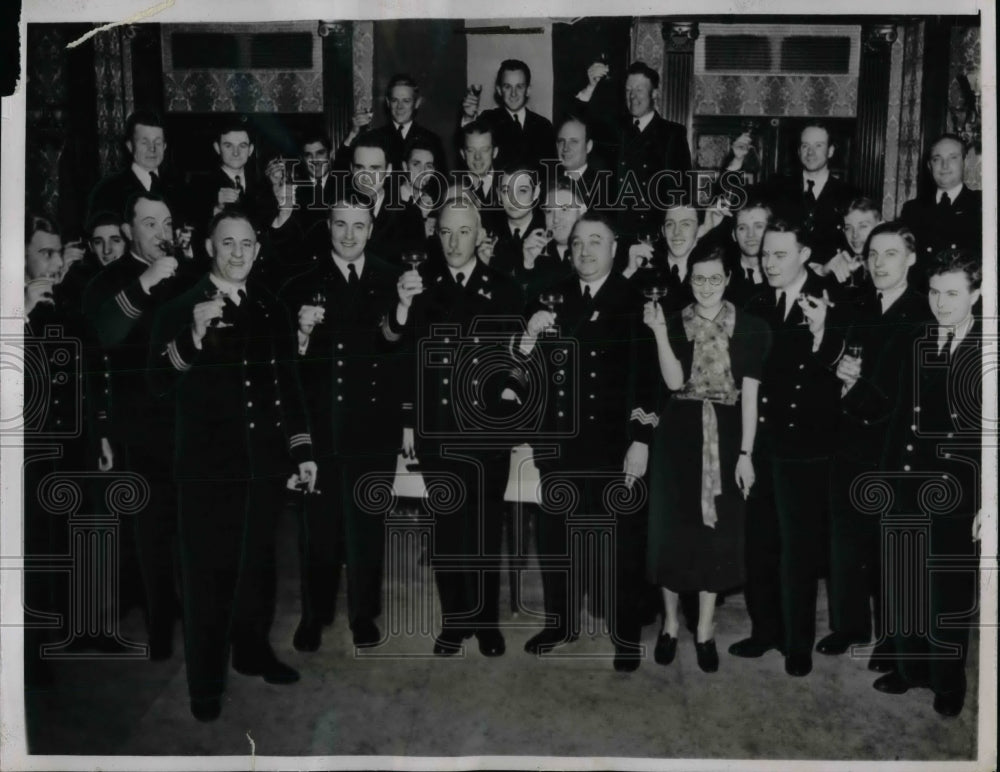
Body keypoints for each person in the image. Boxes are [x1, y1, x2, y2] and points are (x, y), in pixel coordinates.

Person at [148, 206, 316, 722]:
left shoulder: (270, 308)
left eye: (246, 244)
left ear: (258, 250)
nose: (238, 253)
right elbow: (155, 385)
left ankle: (252, 652)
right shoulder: (178, 307)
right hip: (206, 473)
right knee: (207, 582)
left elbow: (287, 384)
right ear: (208, 248)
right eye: (227, 244)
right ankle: (204, 686)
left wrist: (302, 450)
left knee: (258, 570)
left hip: (262, 467)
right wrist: (190, 341)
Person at [516, 211, 657, 671]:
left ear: (615, 250)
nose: (585, 250)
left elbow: (647, 378)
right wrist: (528, 338)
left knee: (621, 544)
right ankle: (561, 623)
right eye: (577, 242)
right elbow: (529, 374)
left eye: (596, 241)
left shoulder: (635, 300)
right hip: (561, 443)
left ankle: (626, 633)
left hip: (615, 445)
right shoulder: (551, 298)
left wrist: (640, 440)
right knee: (556, 539)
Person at [391, 194, 524, 658]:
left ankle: (486, 622)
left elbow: (517, 359)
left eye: (463, 231)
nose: (453, 240)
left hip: (488, 432)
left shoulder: (503, 287)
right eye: (445, 231)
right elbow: (403, 358)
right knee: (448, 529)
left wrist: (510, 393)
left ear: (480, 235)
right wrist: (408, 424)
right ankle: (454, 621)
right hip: (438, 430)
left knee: (486, 529)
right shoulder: (417, 286)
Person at [852, 248, 982, 717]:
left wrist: (988, 503)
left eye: (952, 294)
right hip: (906, 481)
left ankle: (949, 683)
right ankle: (910, 670)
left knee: (948, 591)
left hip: (958, 492)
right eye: (934, 292)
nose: (941, 303)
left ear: (976, 293)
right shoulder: (917, 338)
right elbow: (896, 413)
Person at [279, 194, 405, 652]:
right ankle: (315, 614)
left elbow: (402, 355)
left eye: (358, 226)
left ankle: (364, 615)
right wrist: (301, 334)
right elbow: (286, 366)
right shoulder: (300, 284)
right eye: (340, 225)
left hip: (374, 426)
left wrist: (407, 422)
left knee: (367, 529)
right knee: (319, 531)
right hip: (323, 427)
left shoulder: (394, 281)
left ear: (371, 229)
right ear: (327, 227)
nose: (349, 235)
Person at [643, 245, 770, 672]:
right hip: (678, 434)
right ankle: (671, 626)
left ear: (729, 278)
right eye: (698, 279)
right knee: (673, 533)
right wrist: (660, 334)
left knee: (717, 534)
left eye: (715, 279)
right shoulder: (677, 320)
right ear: (689, 280)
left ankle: (706, 630)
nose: (707, 287)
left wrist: (747, 453)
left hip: (729, 431)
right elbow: (675, 380)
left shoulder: (751, 327)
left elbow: (750, 396)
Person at [731, 219, 845, 677]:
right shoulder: (756, 303)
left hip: (808, 445)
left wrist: (823, 332)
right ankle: (765, 632)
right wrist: (745, 451)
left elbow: (842, 364)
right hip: (763, 441)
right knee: (759, 545)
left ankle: (798, 642)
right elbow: (749, 382)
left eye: (780, 254)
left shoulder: (828, 298)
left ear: (804, 253)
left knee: (798, 551)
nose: (770, 262)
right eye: (765, 255)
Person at [82, 192, 191, 660]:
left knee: (183, 524)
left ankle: (177, 604)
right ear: (129, 231)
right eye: (149, 224)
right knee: (149, 527)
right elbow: (103, 337)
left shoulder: (180, 271)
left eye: (165, 222)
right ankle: (159, 627)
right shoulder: (110, 279)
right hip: (140, 427)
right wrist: (146, 282)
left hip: (184, 420)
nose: (161, 233)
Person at [818, 222, 932, 669]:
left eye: (889, 254)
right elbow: (833, 362)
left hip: (893, 445)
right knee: (845, 540)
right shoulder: (855, 304)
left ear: (911, 259)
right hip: (849, 440)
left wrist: (852, 383)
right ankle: (849, 625)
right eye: (873, 255)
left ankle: (891, 639)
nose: (879, 263)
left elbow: (901, 389)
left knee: (889, 545)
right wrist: (839, 373)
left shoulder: (923, 312)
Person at [573, 60, 692, 245]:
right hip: (615, 238)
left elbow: (681, 193)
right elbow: (575, 127)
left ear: (654, 93)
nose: (632, 96)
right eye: (628, 90)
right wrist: (591, 88)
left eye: (639, 90)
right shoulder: (614, 128)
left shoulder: (672, 133)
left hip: (653, 239)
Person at [759, 122, 858, 264]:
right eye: (805, 146)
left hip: (832, 281)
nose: (810, 152)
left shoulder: (850, 195)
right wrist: (736, 163)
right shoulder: (778, 188)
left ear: (830, 151)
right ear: (799, 151)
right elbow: (735, 201)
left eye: (818, 145)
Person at [899, 134, 982, 272]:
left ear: (965, 162)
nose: (944, 166)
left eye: (953, 158)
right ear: (929, 166)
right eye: (937, 159)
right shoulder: (912, 210)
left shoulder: (981, 204)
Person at [459, 59, 556, 173]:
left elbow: (552, 171)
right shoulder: (488, 119)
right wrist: (468, 117)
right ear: (499, 90)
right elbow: (468, 148)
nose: (513, 93)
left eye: (519, 86)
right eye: (507, 87)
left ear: (528, 90)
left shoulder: (544, 126)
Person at [87, 111, 183, 226]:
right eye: (144, 143)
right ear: (130, 146)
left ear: (164, 146)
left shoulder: (178, 189)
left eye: (157, 143)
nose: (152, 149)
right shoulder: (107, 190)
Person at [339, 74, 446, 174]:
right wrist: (353, 134)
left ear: (417, 103)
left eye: (406, 101)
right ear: (388, 102)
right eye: (395, 100)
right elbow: (342, 173)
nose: (400, 106)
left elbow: (440, 182)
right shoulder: (374, 137)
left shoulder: (432, 140)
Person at [348, 132, 426, 266]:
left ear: (389, 170)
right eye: (360, 167)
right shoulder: (338, 210)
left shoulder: (410, 215)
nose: (366, 177)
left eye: (374, 168)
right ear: (351, 169)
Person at [624, 201, 701, 314]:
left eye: (685, 224)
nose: (676, 232)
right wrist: (629, 271)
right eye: (670, 224)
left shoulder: (709, 271)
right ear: (663, 231)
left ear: (698, 230)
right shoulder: (644, 272)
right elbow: (605, 314)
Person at [723, 201, 770, 307]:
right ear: (734, 235)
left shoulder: (786, 274)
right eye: (742, 228)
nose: (750, 234)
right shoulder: (723, 275)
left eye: (758, 226)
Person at [457, 118, 502, 210]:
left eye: (484, 150)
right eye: (471, 150)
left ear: (495, 152)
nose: (477, 157)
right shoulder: (453, 188)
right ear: (463, 154)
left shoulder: (509, 185)